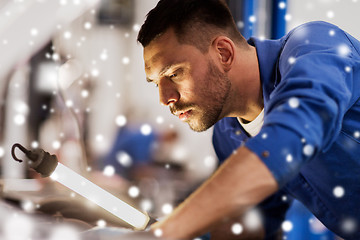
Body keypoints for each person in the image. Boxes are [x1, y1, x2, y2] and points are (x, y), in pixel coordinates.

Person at [137, 0, 360, 239]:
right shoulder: (227, 134)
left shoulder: (315, 45)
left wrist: (162, 234)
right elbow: (250, 226)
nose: (164, 98)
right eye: (156, 83)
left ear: (223, 53)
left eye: (174, 73)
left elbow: (291, 137)